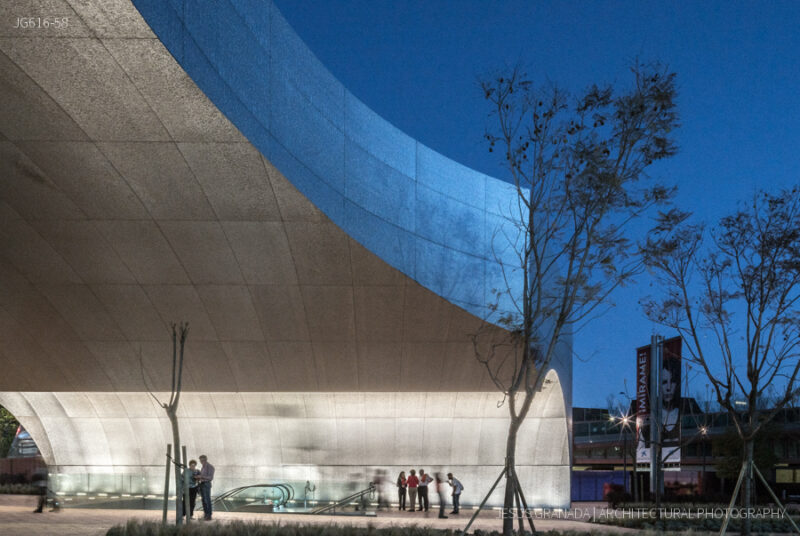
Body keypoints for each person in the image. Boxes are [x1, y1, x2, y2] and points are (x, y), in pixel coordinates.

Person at [196, 454, 215, 520]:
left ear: (206, 459)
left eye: (203, 460)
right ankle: (206, 514)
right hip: (202, 484)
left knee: (207, 500)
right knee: (204, 500)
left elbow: (210, 477)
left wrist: (201, 476)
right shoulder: (203, 467)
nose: (202, 461)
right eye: (201, 460)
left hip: (206, 484)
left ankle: (209, 515)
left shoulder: (210, 467)